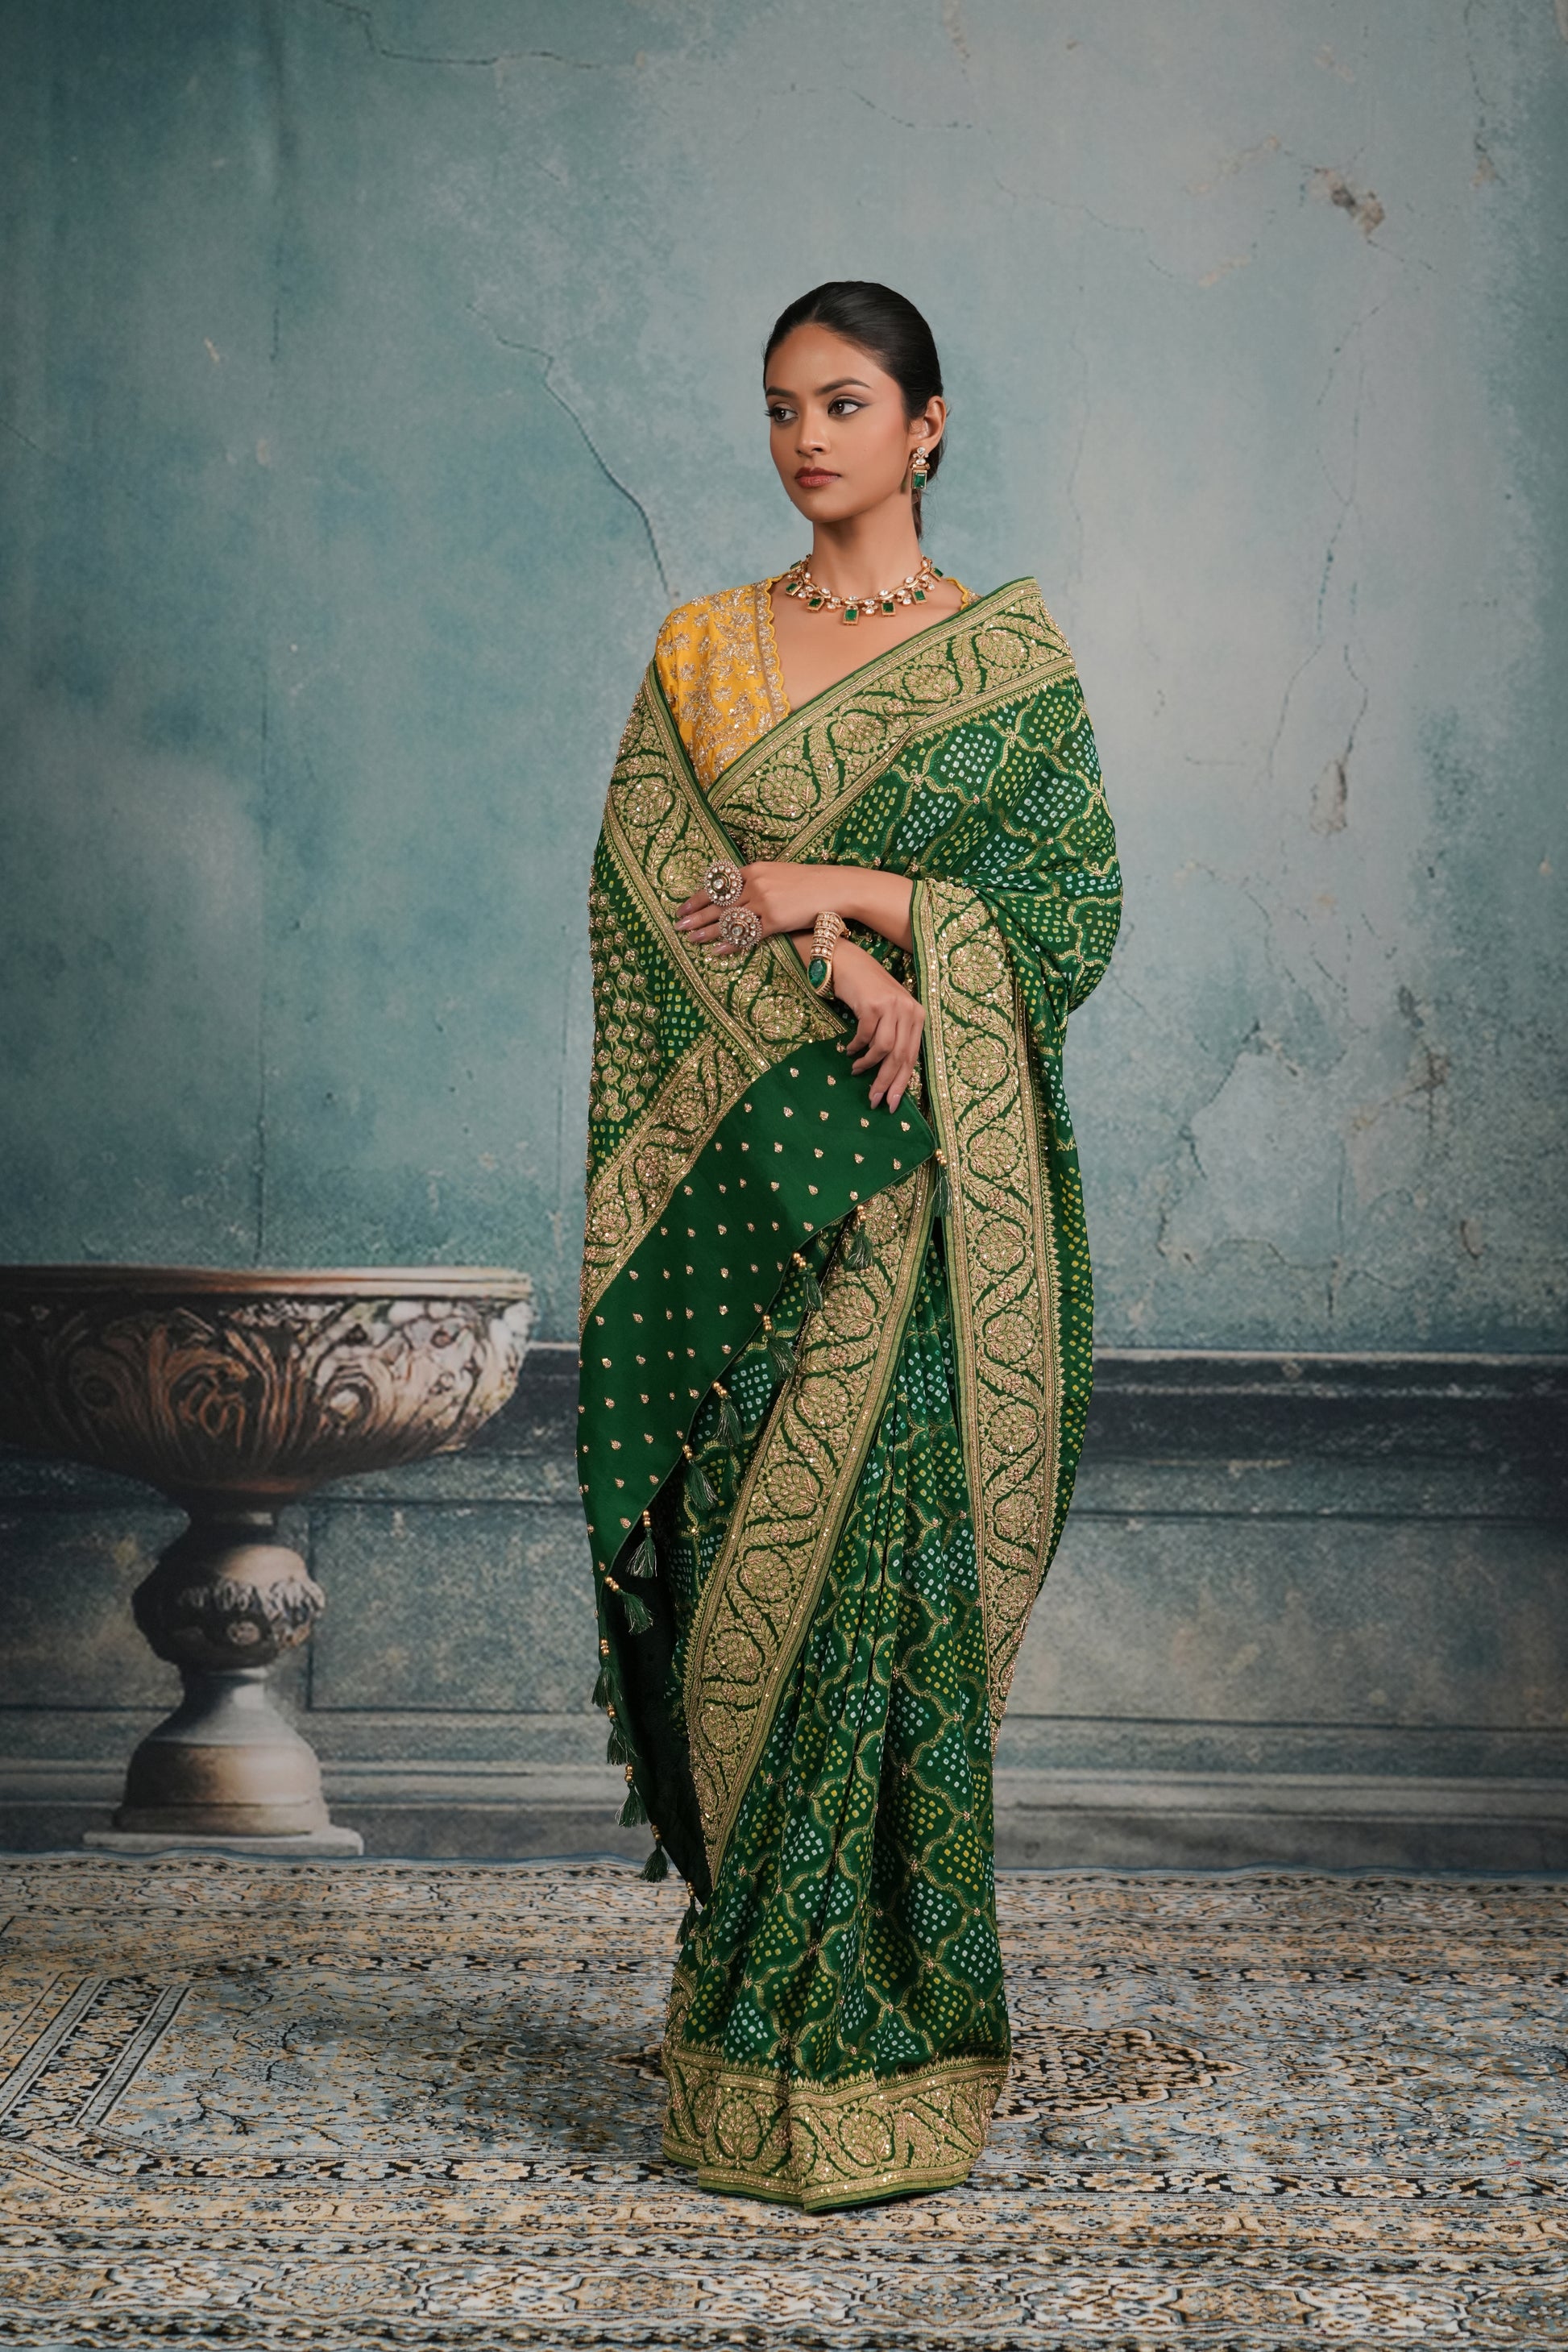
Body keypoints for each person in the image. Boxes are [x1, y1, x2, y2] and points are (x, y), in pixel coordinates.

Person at [578, 280, 1121, 2210]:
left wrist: (868, 902)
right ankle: (745, 2044)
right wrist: (831, 964)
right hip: (753, 1212)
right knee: (753, 1599)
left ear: (926, 424)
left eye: (844, 402)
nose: (805, 438)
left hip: (923, 1211)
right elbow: (653, 908)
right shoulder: (703, 650)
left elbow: (1066, 915)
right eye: (780, 407)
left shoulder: (1008, 662)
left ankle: (884, 2046)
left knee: (885, 1610)